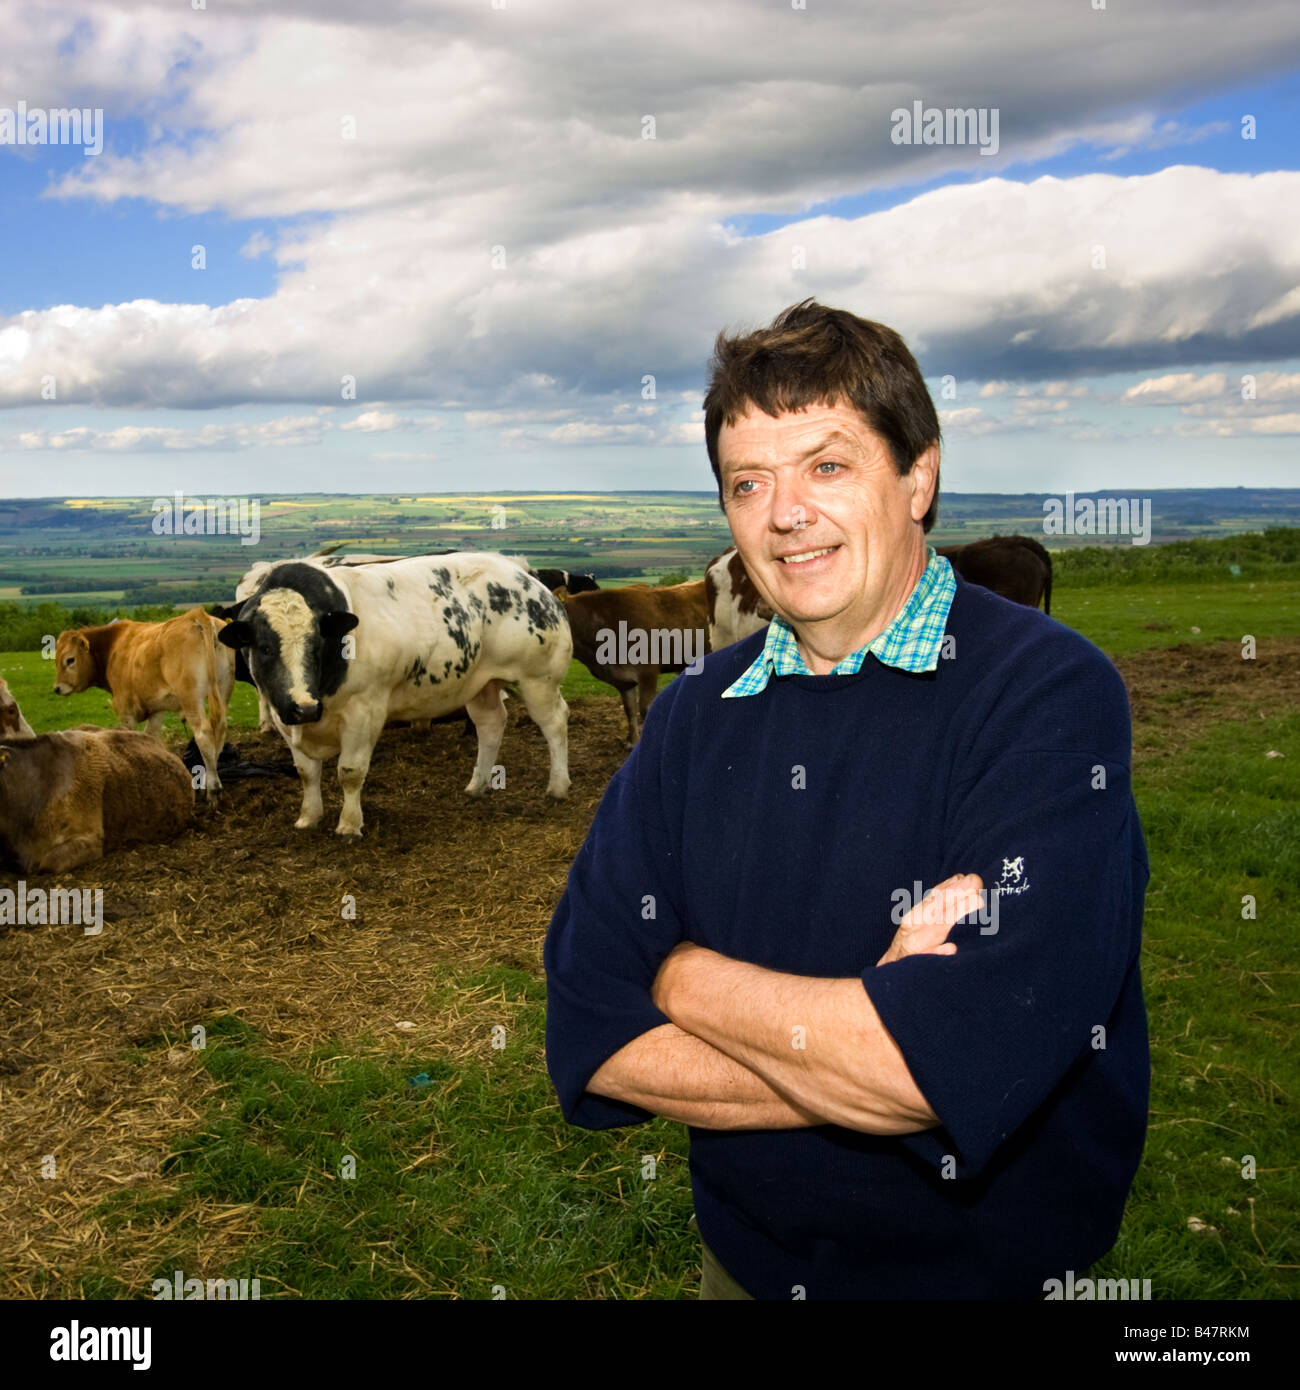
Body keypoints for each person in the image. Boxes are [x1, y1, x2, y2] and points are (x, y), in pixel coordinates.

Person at [544, 299, 1149, 1300]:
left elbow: (929, 1069)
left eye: (827, 466)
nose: (784, 515)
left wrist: (685, 978)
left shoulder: (1045, 693)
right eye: (750, 483)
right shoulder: (696, 714)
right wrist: (864, 1046)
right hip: (744, 1268)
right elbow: (590, 1036)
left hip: (984, 1278)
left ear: (917, 475)